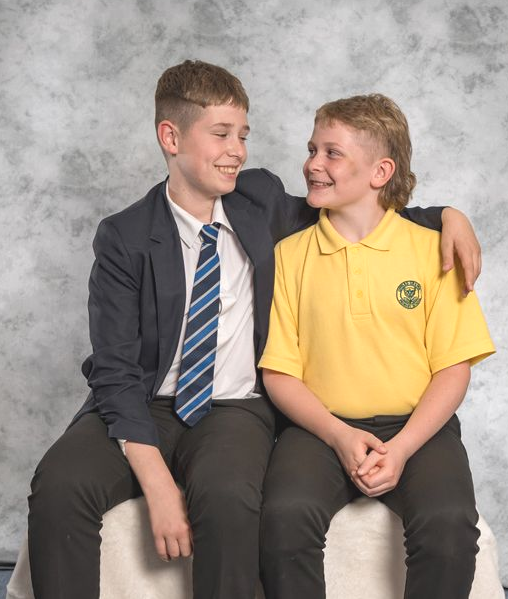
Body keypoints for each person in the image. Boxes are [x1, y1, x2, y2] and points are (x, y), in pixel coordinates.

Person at [26, 61, 483, 599]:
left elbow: (362, 207)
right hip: (143, 402)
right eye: (221, 134)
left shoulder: (259, 200)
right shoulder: (124, 237)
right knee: (58, 487)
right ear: (170, 137)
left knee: (229, 499)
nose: (237, 151)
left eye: (242, 135)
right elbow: (115, 369)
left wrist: (449, 215)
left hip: (233, 407)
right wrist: (158, 484)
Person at [258, 93, 496, 599]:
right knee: (283, 518)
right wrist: (339, 435)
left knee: (450, 526)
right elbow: (279, 372)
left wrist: (403, 447)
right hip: (318, 429)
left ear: (380, 171)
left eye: (332, 153)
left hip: (418, 428)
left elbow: (453, 368)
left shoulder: (434, 251)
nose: (313, 164)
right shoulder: (289, 256)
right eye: (312, 149)